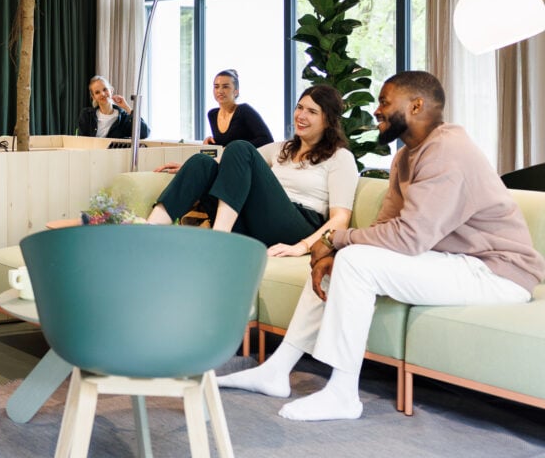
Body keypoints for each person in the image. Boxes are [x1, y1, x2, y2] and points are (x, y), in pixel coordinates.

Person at [218, 71, 545, 421]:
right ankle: (276, 370)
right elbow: (384, 228)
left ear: (416, 105)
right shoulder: (406, 157)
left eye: (385, 101)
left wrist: (334, 240)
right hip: (454, 260)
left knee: (355, 261)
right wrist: (334, 252)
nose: (376, 110)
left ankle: (343, 394)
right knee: (344, 260)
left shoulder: (448, 152)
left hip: (496, 273)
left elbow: (408, 237)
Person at [147, 84, 358, 254]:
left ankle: (218, 240)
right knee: (201, 162)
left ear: (329, 121)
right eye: (300, 107)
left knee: (241, 147)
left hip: (297, 225)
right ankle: (147, 232)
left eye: (311, 111)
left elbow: (340, 219)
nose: (301, 116)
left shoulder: (340, 158)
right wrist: (189, 169)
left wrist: (301, 247)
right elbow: (232, 165)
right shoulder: (282, 148)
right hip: (258, 224)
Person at [205, 69, 273, 147]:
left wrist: (236, 149)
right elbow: (224, 145)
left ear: (236, 91)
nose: (220, 91)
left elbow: (266, 139)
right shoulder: (212, 114)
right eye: (216, 87)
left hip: (244, 158)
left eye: (225, 87)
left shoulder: (244, 111)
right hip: (225, 159)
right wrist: (210, 143)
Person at [77, 75, 149, 139]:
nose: (102, 94)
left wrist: (127, 108)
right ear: (93, 97)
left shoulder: (124, 118)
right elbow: (81, 141)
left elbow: (144, 133)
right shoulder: (86, 115)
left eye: (105, 89)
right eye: (97, 92)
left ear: (111, 90)